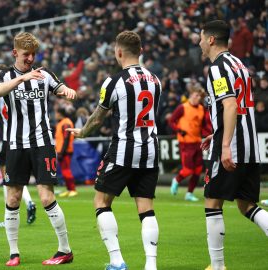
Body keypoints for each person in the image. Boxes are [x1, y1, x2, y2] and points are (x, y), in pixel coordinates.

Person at [68, 30, 161, 270]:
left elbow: (98, 118)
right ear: (140, 51)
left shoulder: (114, 81)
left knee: (101, 201)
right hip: (150, 148)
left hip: (123, 148)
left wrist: (83, 132)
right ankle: (151, 265)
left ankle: (117, 261)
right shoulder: (155, 80)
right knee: (146, 208)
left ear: (118, 52)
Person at [0, 32, 76, 266]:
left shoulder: (44, 74)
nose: (30, 58)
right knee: (14, 196)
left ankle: (65, 250)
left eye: (33, 55)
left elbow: (60, 87)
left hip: (42, 144)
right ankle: (14, 252)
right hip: (15, 145)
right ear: (15, 52)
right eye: (26, 54)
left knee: (46, 195)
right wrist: (22, 78)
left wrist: (67, 91)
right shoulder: (5, 75)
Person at [199, 20, 268, 270]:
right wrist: (216, 133)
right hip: (250, 146)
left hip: (233, 145)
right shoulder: (240, 64)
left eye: (200, 37)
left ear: (210, 40)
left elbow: (230, 105)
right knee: (247, 205)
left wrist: (225, 144)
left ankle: (217, 266)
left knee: (212, 201)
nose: (198, 42)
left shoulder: (217, 68)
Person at [0, 64, 37, 229]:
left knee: (9, 179)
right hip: (15, 138)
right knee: (15, 179)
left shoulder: (4, 93)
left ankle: (9, 215)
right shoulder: (16, 93)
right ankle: (29, 201)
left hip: (6, 138)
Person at [169, 87, 212, 201]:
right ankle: (176, 180)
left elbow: (203, 126)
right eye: (195, 95)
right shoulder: (182, 107)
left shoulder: (202, 109)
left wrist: (213, 133)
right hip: (186, 143)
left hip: (197, 142)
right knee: (188, 170)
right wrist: (179, 130)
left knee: (198, 170)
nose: (197, 98)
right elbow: (171, 121)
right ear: (191, 95)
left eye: (199, 96)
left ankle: (189, 193)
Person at [55, 105, 77, 197]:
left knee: (66, 170)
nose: (55, 115)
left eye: (56, 113)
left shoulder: (66, 123)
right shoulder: (63, 122)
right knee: (64, 170)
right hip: (62, 150)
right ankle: (69, 189)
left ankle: (72, 189)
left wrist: (62, 152)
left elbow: (66, 138)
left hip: (65, 151)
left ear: (60, 114)